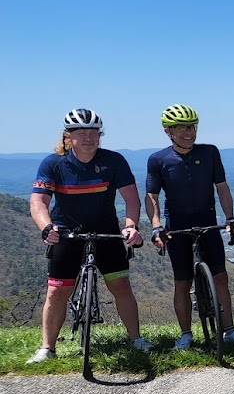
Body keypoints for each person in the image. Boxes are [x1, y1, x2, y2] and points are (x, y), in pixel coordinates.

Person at [27, 109, 150, 364]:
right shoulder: (53, 163)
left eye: (93, 132)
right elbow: (38, 200)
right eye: (81, 132)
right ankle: (47, 348)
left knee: (121, 286)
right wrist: (47, 227)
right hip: (66, 232)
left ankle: (136, 338)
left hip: (106, 231)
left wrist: (131, 226)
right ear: (67, 136)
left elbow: (130, 198)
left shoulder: (114, 161)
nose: (88, 138)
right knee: (57, 292)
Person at [145, 104, 234, 350]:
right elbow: (151, 196)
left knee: (221, 278)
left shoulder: (210, 153)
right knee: (182, 283)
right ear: (168, 131)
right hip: (177, 228)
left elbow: (222, 187)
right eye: (182, 127)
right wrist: (156, 226)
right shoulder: (158, 160)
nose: (189, 132)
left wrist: (230, 217)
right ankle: (185, 334)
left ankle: (229, 330)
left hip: (207, 223)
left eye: (192, 127)